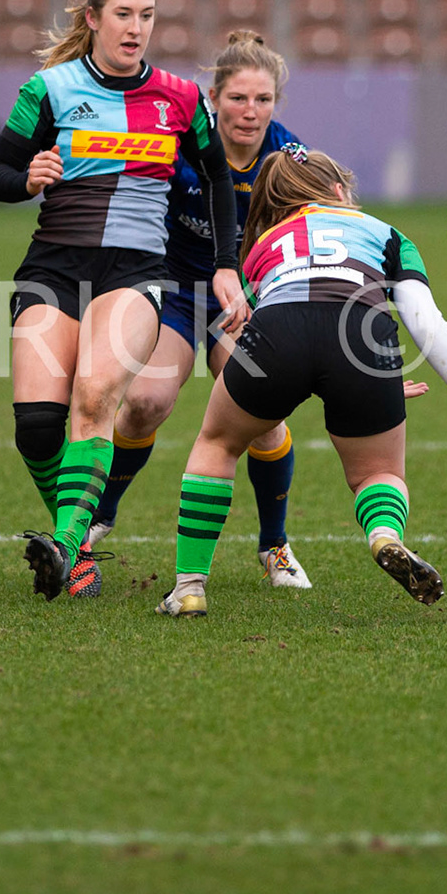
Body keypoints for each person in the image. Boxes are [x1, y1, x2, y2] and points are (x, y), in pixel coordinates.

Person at [0, 0, 248, 599]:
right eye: (124, 14)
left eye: (147, 15)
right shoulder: (47, 91)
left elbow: (218, 177)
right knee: (36, 425)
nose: (136, 28)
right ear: (94, 18)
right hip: (53, 267)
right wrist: (27, 180)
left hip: (135, 272)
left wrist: (226, 264)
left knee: (96, 396)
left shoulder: (182, 98)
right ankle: (72, 542)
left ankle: (66, 546)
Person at [156, 148, 447, 617]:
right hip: (364, 339)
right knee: (377, 474)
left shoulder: (263, 244)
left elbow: (251, 327)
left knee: (218, 444)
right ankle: (384, 536)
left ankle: (189, 588)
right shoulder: (387, 234)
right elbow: (424, 320)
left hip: (277, 330)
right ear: (337, 190)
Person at [84, 31, 314, 590]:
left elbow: (320, 225)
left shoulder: (289, 158)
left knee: (261, 415)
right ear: (213, 97)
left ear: (276, 104)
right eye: (238, 98)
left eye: (262, 99)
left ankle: (274, 545)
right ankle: (97, 520)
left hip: (244, 298)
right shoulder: (181, 145)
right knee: (144, 402)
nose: (250, 111)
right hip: (177, 292)